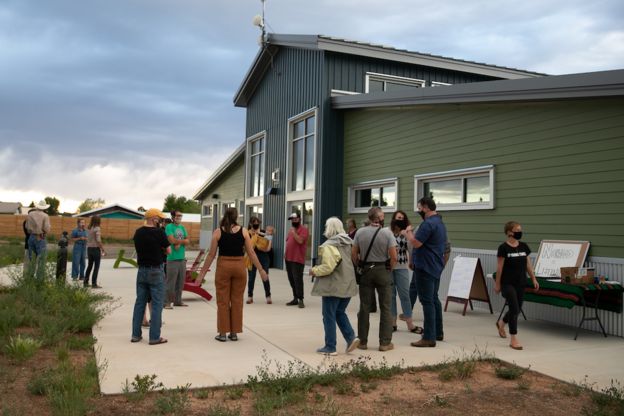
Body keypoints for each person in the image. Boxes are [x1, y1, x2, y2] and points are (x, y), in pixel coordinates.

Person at [197, 207, 267, 342]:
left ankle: (223, 333)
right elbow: (251, 253)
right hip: (240, 267)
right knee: (237, 300)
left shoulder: (218, 232)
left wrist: (202, 274)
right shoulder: (244, 231)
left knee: (223, 300)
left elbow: (211, 255)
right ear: (236, 217)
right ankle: (234, 333)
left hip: (224, 266)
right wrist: (261, 270)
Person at [309, 217, 360, 356]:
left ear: (329, 228)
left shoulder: (329, 245)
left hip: (333, 287)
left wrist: (314, 270)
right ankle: (351, 338)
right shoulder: (348, 243)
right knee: (339, 312)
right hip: (347, 284)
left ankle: (330, 346)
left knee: (328, 316)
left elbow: (328, 267)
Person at [402, 196, 447, 348]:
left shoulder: (428, 224)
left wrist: (407, 233)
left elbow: (416, 243)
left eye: (420, 207)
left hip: (426, 267)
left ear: (426, 207)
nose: (418, 210)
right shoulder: (439, 222)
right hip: (435, 266)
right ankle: (437, 332)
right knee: (434, 299)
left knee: (427, 301)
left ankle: (428, 337)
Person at [352, 206, 397, 352]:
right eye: (383, 215)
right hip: (382, 269)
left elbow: (354, 254)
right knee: (386, 307)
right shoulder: (387, 233)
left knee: (364, 307)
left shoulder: (360, 232)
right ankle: (384, 342)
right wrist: (390, 268)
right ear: (379, 218)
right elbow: (394, 256)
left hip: (366, 270)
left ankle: (362, 341)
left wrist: (359, 265)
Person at [495, 221, 539, 350]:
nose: (520, 232)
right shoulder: (503, 248)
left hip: (521, 282)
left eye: (520, 229)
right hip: (507, 283)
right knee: (514, 309)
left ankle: (501, 323)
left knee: (517, 309)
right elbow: (499, 267)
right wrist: (497, 284)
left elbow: (528, 265)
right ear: (509, 232)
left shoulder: (524, 246)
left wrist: (534, 279)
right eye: (517, 230)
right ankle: (513, 339)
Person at [131, 208, 170, 345]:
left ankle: (136, 335)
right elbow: (169, 250)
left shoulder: (138, 233)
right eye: (159, 219)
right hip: (156, 271)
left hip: (141, 271)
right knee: (157, 304)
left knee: (140, 303)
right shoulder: (159, 232)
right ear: (154, 219)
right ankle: (154, 337)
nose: (160, 221)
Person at [390, 210, 422, 334]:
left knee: (405, 295)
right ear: (393, 219)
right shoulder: (387, 232)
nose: (400, 220)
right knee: (391, 296)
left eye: (402, 218)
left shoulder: (407, 232)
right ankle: (392, 323)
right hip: (390, 267)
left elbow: (411, 248)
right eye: (398, 217)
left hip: (402, 266)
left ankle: (410, 324)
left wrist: (407, 233)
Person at [165, 210, 190, 308]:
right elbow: (171, 240)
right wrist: (180, 241)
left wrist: (178, 242)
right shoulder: (169, 227)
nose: (179, 217)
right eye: (178, 215)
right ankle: (167, 302)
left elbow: (188, 240)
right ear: (173, 217)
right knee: (171, 282)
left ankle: (178, 301)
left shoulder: (182, 227)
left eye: (181, 215)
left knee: (180, 282)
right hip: (172, 259)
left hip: (182, 259)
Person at [284, 211, 309, 308]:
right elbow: (289, 242)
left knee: (298, 279)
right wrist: (285, 253)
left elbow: (300, 240)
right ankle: (295, 298)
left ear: (300, 219)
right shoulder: (291, 230)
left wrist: (294, 232)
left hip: (297, 259)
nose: (293, 221)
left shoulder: (304, 229)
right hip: (288, 258)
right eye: (292, 219)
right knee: (291, 279)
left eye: (295, 219)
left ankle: (300, 299)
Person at [246, 217, 272, 304]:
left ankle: (268, 296)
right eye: (254, 223)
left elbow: (269, 243)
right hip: (252, 257)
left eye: (258, 223)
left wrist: (265, 248)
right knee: (251, 277)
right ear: (250, 224)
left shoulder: (263, 232)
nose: (256, 225)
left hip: (263, 257)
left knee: (265, 276)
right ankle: (250, 296)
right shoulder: (247, 233)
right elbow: (245, 247)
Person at [25, 200, 51, 279]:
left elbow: (26, 226)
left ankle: (30, 277)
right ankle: (40, 279)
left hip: (31, 237)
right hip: (40, 237)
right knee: (41, 259)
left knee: (31, 258)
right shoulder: (45, 216)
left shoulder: (30, 214)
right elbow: (46, 229)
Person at [84, 215, 106, 288]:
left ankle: (85, 282)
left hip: (89, 249)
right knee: (96, 267)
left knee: (89, 266)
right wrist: (102, 249)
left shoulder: (89, 228)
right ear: (98, 221)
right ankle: (94, 283)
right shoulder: (97, 228)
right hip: (95, 249)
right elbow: (98, 240)